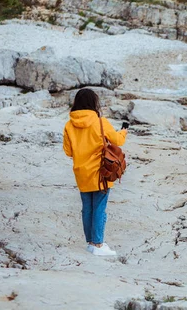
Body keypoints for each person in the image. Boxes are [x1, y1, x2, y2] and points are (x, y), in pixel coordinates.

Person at [63, 88, 127, 256]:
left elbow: (68, 152)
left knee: (87, 208)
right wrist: (124, 131)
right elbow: (118, 140)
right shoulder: (100, 122)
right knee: (99, 207)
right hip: (100, 173)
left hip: (81, 172)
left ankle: (90, 243)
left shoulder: (69, 125)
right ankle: (98, 244)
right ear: (93, 103)